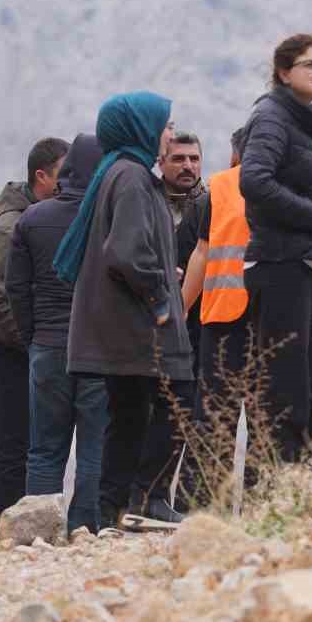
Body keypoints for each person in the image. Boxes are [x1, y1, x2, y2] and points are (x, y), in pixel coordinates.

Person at [57, 93, 193, 530]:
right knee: (178, 403)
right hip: (139, 329)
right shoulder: (132, 177)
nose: (169, 134)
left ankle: (109, 514)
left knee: (128, 421)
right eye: (165, 125)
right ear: (141, 128)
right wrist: (158, 295)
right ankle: (144, 499)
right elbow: (125, 251)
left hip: (123, 329)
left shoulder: (120, 173)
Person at [240, 35, 312, 464]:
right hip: (279, 265)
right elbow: (254, 180)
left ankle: (300, 484)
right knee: (286, 391)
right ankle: (275, 488)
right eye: (308, 64)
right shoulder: (271, 118)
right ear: (284, 73)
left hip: (303, 266)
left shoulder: (298, 122)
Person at [5, 135, 107, 534]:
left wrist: (33, 336)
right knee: (94, 447)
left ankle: (39, 531)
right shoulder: (107, 216)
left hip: (47, 347)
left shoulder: (32, 219)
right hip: (98, 349)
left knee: (45, 449)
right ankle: (86, 529)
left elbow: (16, 289)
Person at [0, 137, 69, 546]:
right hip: (5, 352)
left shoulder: (49, 217)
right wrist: (31, 338)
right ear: (41, 176)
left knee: (35, 447)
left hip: (31, 349)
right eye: (62, 175)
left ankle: (31, 535)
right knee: (13, 449)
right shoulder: (11, 227)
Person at [130, 129, 206, 522]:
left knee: (191, 422)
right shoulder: (145, 203)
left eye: (194, 158)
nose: (188, 166)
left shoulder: (212, 204)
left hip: (200, 330)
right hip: (149, 329)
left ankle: (180, 509)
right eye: (179, 159)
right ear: (162, 162)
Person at [179, 124, 252, 500]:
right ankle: (262, 506)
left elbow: (202, 254)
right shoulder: (292, 186)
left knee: (214, 421)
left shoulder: (218, 188)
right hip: (269, 323)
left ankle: (203, 509)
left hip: (221, 318)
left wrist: (182, 308)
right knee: (265, 421)